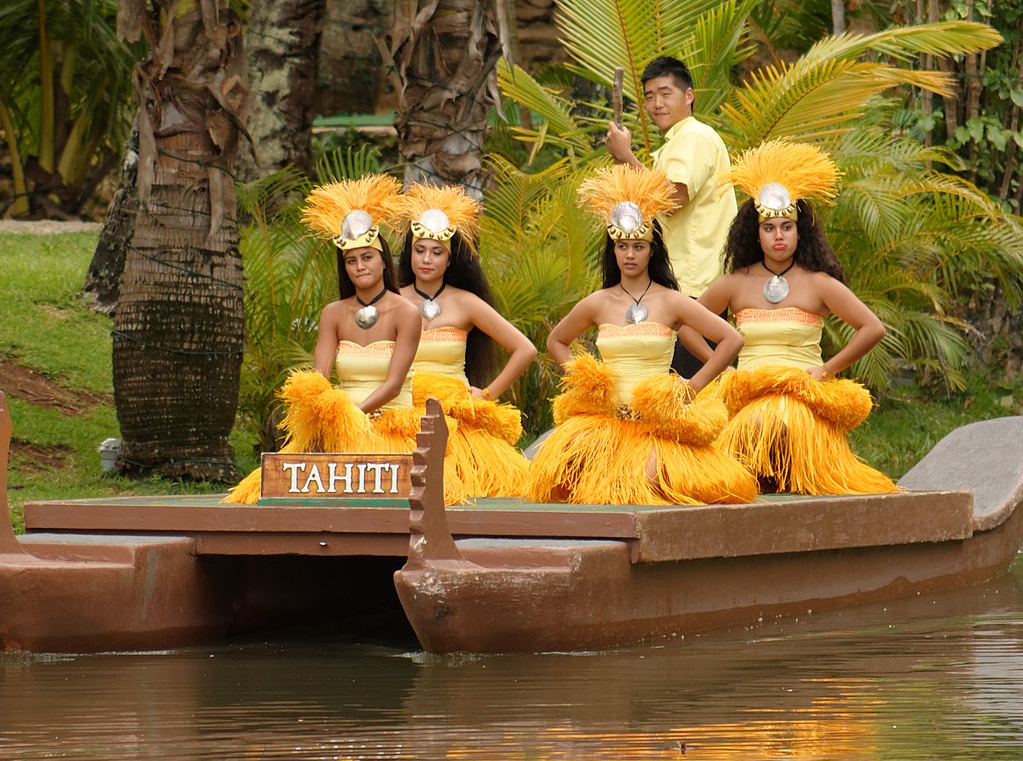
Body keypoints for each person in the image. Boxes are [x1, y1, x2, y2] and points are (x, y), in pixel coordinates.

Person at [527, 164, 757, 506]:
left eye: (638, 246)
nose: (629, 254)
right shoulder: (598, 303)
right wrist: (583, 378)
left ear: (653, 250)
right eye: (622, 246)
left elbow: (731, 340)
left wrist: (692, 388)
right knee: (566, 475)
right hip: (605, 424)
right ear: (613, 250)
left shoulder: (671, 301)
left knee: (645, 483)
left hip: (656, 426)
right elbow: (556, 341)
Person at [695, 140, 897, 495]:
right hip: (748, 397)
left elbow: (872, 328)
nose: (778, 236)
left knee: (777, 420)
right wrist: (722, 369)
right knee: (747, 436)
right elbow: (685, 327)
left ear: (799, 231)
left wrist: (825, 370)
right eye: (769, 227)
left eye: (786, 226)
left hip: (800, 398)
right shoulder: (734, 284)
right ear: (755, 234)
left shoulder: (818, 283)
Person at [224, 174, 423, 505]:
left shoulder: (406, 312)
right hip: (341, 422)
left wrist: (352, 416)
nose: (359, 266)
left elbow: (394, 384)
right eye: (350, 260)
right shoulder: (334, 313)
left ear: (383, 259)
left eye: (367, 257)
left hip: (390, 424)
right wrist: (323, 420)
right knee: (272, 489)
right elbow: (319, 378)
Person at [395, 183, 538, 498]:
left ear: (450, 259)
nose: (427, 259)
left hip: (455, 418)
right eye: (420, 250)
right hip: (402, 415)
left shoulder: (466, 303)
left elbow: (525, 349)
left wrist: (486, 395)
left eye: (437, 252)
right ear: (410, 253)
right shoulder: (393, 302)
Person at [605, 56, 738, 378]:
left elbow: (674, 197)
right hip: (685, 280)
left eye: (666, 93)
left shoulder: (694, 136)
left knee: (691, 385)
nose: (656, 103)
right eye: (649, 96)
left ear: (688, 96)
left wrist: (626, 155)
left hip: (697, 280)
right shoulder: (675, 144)